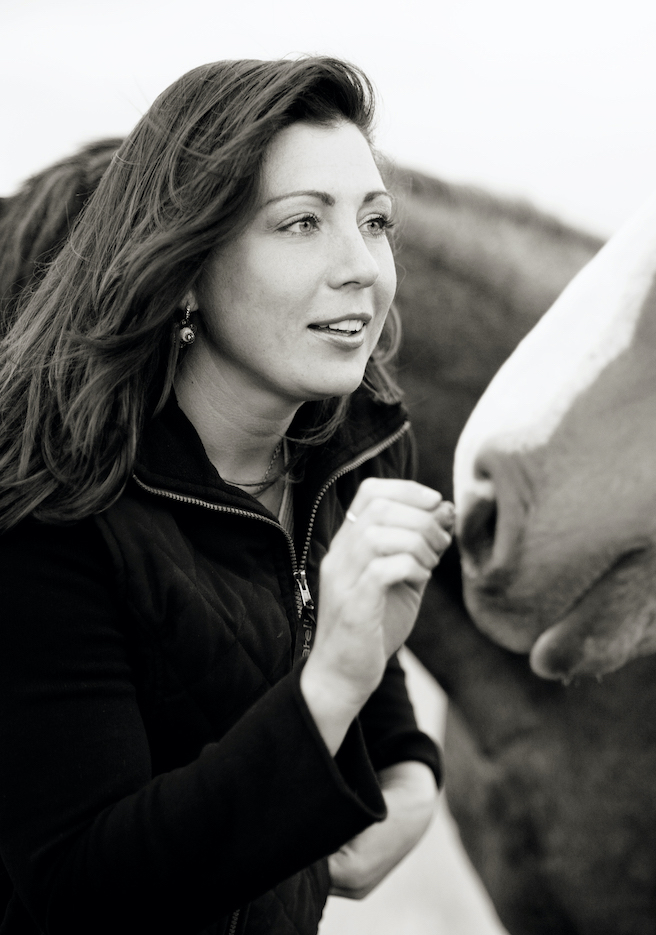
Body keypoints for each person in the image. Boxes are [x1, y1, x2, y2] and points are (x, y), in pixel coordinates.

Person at [0, 57, 453, 935]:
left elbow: (363, 658)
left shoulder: (347, 447)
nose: (361, 266)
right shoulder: (49, 511)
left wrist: (411, 778)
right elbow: (80, 890)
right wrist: (330, 685)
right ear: (186, 265)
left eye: (374, 221)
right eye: (300, 224)